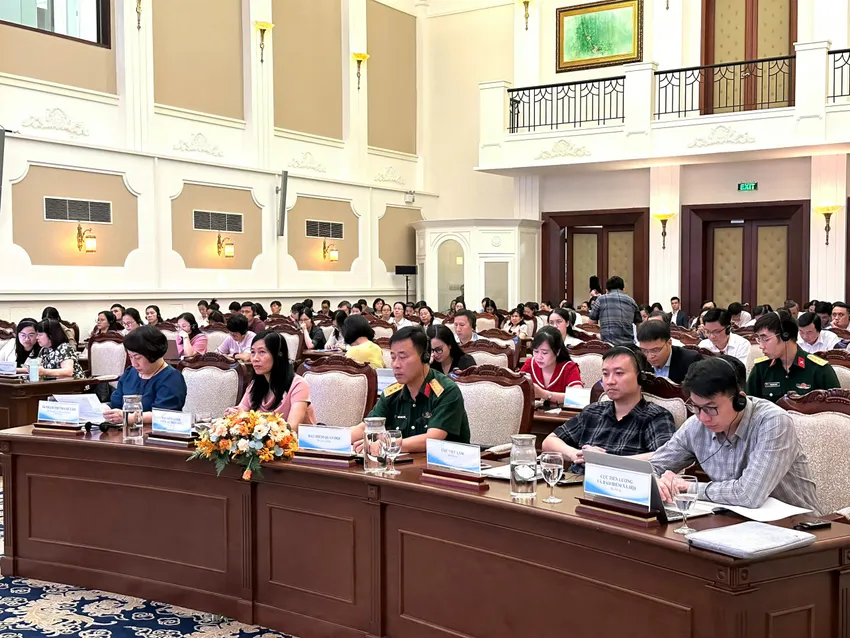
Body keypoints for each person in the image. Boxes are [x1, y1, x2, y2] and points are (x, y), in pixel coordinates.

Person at [652, 356, 821, 513]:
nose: (703, 417)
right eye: (695, 407)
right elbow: (654, 466)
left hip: (798, 524)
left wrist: (688, 487)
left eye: (711, 408)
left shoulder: (773, 422)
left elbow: (749, 495)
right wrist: (658, 483)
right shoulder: (695, 426)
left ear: (739, 400)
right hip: (732, 520)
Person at [541, 347, 676, 474]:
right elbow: (549, 442)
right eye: (605, 374)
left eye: (619, 373)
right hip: (575, 483)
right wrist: (576, 454)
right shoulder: (593, 411)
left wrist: (607, 461)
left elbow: (666, 457)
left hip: (619, 486)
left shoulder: (656, 416)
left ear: (640, 377)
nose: (610, 381)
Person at [350, 327, 470, 451]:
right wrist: (339, 439)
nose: (395, 365)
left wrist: (386, 445)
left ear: (425, 357)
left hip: (441, 462)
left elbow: (432, 439)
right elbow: (365, 427)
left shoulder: (446, 391)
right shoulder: (392, 393)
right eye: (393, 357)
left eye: (403, 357)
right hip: (401, 461)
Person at [226, 331, 317, 427]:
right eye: (252, 352)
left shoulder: (298, 385)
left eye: (262, 352)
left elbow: (292, 427)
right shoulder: (255, 384)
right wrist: (235, 413)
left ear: (279, 355)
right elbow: (243, 408)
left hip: (297, 436)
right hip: (263, 437)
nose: (255, 358)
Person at [747, 310, 839, 402]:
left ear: (785, 336)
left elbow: (837, 408)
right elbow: (749, 406)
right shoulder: (761, 369)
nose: (761, 346)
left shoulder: (819, 369)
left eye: (765, 339)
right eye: (759, 339)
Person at [103, 326, 187, 425]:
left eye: (138, 357)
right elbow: (115, 403)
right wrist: (105, 410)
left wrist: (131, 418)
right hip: (124, 429)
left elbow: (165, 414)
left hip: (155, 431)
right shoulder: (130, 372)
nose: (134, 363)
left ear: (153, 354)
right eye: (130, 357)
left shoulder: (172, 378)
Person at [520, 327, 582, 400]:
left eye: (544, 352)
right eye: (536, 351)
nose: (539, 357)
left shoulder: (569, 368)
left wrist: (545, 394)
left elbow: (578, 398)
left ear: (557, 352)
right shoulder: (530, 364)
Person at [636, 319, 702, 384]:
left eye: (655, 350)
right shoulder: (638, 360)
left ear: (669, 343)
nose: (650, 356)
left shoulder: (690, 361)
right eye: (644, 351)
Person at [587, 276, 639, 346]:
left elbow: (591, 323)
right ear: (623, 289)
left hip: (607, 346)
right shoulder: (631, 301)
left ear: (607, 290)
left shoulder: (601, 299)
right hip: (628, 346)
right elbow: (639, 324)